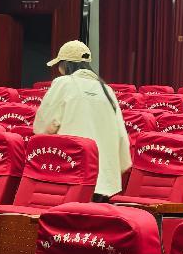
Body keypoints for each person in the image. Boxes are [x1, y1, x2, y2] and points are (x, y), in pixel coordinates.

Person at [33, 40, 131, 199]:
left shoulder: (63, 83)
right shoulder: (106, 90)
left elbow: (42, 127)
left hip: (70, 175)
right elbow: (121, 136)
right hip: (104, 182)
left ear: (65, 64)